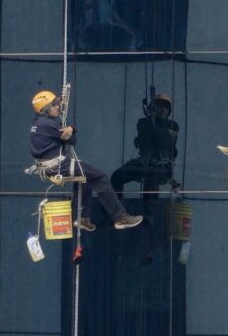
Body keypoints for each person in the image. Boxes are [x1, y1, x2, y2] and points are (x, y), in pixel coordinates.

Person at [29, 90, 143, 231]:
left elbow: (68, 132)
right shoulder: (49, 123)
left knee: (85, 179)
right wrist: (70, 129)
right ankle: (121, 218)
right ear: (45, 109)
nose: (58, 107)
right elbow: (72, 139)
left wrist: (70, 128)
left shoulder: (38, 122)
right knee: (101, 177)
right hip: (58, 165)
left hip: (51, 166)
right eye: (54, 105)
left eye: (57, 104)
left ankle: (82, 217)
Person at [112, 93, 180, 199]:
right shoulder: (144, 122)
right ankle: (117, 210)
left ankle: (149, 215)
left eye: (165, 107)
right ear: (153, 108)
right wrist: (150, 119)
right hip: (144, 162)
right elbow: (144, 132)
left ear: (169, 110)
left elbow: (163, 138)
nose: (162, 109)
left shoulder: (173, 125)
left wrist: (153, 125)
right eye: (159, 106)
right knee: (117, 176)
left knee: (151, 178)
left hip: (163, 165)